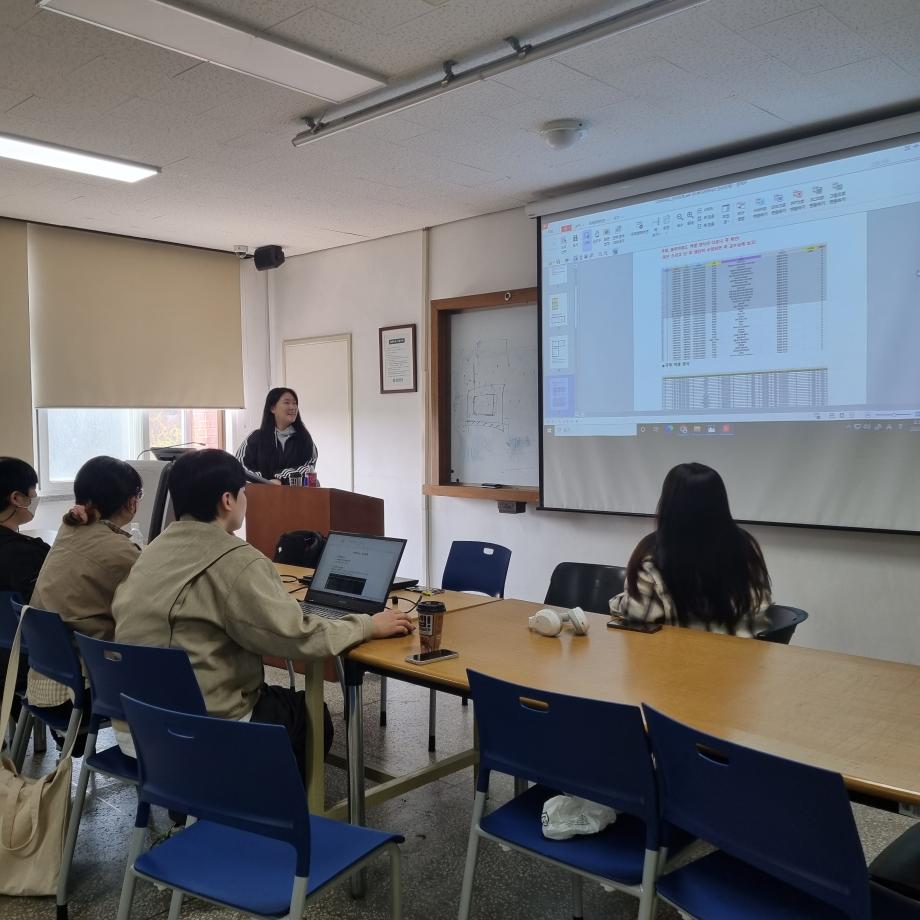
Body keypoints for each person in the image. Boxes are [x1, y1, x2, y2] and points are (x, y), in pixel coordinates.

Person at [112, 449, 413, 780]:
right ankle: (270, 806)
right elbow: (297, 637)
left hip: (137, 723)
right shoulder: (237, 559)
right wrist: (367, 625)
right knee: (310, 716)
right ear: (228, 500)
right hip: (196, 731)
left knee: (274, 696)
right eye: (244, 492)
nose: (246, 500)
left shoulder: (152, 549)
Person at [27, 457, 143, 719]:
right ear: (131, 502)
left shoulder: (69, 530)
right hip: (83, 690)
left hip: (45, 678)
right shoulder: (118, 550)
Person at [609, 462, 772, 637]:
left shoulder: (653, 553)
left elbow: (638, 615)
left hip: (686, 651)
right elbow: (762, 603)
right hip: (747, 649)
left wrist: (617, 603)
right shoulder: (746, 544)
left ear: (668, 503)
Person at [0, 457, 50, 719]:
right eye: (33, 490)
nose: (35, 496)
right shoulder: (25, 554)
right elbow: (47, 611)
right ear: (17, 498)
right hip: (21, 662)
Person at [235, 387, 318, 485]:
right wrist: (266, 482)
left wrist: (280, 478)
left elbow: (309, 467)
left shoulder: (304, 438)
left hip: (297, 493)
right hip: (262, 492)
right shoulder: (256, 437)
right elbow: (239, 466)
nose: (292, 407)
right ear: (272, 408)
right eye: (287, 402)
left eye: (295, 403)